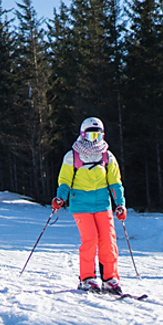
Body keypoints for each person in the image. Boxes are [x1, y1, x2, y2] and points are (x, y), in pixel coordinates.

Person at [51, 117, 127, 295]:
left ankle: (110, 278)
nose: (95, 140)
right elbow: (65, 181)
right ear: (83, 135)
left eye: (99, 136)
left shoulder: (107, 156)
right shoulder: (73, 156)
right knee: (90, 239)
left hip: (102, 203)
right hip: (81, 204)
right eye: (92, 135)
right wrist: (60, 198)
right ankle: (87, 278)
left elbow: (115, 182)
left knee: (108, 240)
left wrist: (120, 204)